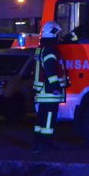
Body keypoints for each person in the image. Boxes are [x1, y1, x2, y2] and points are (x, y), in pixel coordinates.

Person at [32, 21, 67, 153]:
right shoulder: (50, 51)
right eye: (57, 35)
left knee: (41, 118)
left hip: (43, 91)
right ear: (53, 34)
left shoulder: (42, 48)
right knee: (48, 119)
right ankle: (45, 143)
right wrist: (56, 87)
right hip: (49, 92)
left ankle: (38, 143)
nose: (59, 38)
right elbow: (51, 70)